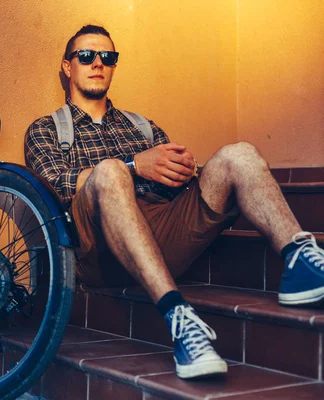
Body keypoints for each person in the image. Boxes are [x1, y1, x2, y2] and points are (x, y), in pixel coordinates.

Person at [24, 24, 324, 380]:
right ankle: (179, 321)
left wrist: (182, 169)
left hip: (162, 228)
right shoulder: (46, 129)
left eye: (108, 57)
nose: (98, 63)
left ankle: (300, 260)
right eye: (87, 56)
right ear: (67, 66)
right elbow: (55, 188)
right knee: (110, 172)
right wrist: (136, 167)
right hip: (98, 249)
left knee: (238, 155)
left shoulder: (141, 127)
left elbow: (179, 182)